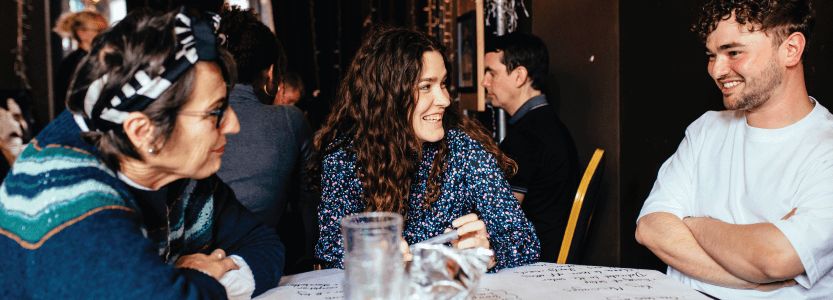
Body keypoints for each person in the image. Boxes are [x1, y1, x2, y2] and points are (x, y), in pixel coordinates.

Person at [0, 7, 284, 299]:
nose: (233, 124)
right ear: (141, 130)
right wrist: (184, 281)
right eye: (215, 111)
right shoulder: (64, 195)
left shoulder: (179, 171)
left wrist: (192, 284)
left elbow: (263, 243)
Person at [635, 0, 833, 298]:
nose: (716, 70)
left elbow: (775, 258)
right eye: (712, 56)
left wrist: (691, 224)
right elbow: (650, 229)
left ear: (791, 49)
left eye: (733, 52)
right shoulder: (705, 129)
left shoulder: (826, 148)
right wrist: (751, 280)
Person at [312, 26, 540, 271]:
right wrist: (368, 253)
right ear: (388, 96)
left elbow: (524, 240)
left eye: (442, 84)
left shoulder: (464, 150)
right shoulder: (345, 158)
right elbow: (331, 246)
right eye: (425, 87)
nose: (444, 99)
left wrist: (489, 251)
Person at [215, 5, 317, 274]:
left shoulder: (190, 120)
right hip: (256, 263)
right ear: (271, 75)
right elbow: (308, 204)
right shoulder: (289, 120)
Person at [481, 32, 580, 263]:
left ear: (519, 76)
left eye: (492, 73)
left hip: (535, 264)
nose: (485, 82)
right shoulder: (551, 126)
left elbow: (500, 223)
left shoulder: (526, 138)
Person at [52, 11, 108, 117]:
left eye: (107, 30)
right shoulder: (73, 64)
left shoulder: (102, 58)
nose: (105, 35)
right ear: (81, 34)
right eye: (100, 30)